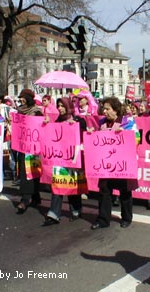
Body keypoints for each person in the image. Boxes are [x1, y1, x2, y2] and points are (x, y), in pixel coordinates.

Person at [90, 96, 139, 230]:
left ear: (116, 110)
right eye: (103, 109)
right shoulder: (102, 123)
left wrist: (125, 134)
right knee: (104, 190)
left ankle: (126, 218)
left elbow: (137, 138)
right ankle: (103, 219)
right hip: (106, 164)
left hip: (122, 164)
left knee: (124, 191)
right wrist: (91, 134)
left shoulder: (127, 121)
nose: (104, 111)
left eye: (107, 109)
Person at [42, 97, 86, 226]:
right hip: (60, 159)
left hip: (73, 158)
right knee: (58, 185)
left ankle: (76, 209)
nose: (60, 108)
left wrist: (76, 127)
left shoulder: (79, 120)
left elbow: (85, 135)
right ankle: (54, 213)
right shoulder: (57, 121)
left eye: (62, 106)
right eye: (59, 105)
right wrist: (47, 125)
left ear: (68, 107)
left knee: (72, 184)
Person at [15, 89, 44, 214]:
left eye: (23, 97)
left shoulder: (36, 112)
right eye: (20, 97)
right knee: (25, 172)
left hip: (34, 148)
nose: (21, 99)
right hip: (22, 146)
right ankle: (34, 196)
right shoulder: (19, 111)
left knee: (32, 172)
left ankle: (25, 199)